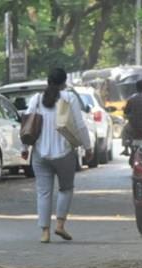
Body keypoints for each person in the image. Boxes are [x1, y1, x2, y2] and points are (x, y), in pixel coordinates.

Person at [22, 68, 92, 243]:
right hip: (64, 153)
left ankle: (45, 232)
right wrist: (88, 147)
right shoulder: (69, 98)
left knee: (43, 193)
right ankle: (60, 225)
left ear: (48, 81)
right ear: (64, 82)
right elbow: (80, 125)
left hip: (40, 154)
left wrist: (24, 147)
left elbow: (27, 124)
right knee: (66, 188)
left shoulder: (36, 99)